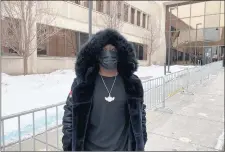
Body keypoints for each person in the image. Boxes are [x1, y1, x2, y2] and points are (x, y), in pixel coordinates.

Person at [62, 28, 147, 151]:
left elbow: (140, 113)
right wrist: (69, 145)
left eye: (113, 49)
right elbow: (70, 115)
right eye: (104, 50)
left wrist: (141, 140)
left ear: (120, 53)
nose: (109, 53)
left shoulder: (132, 84)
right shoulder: (83, 84)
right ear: (96, 54)